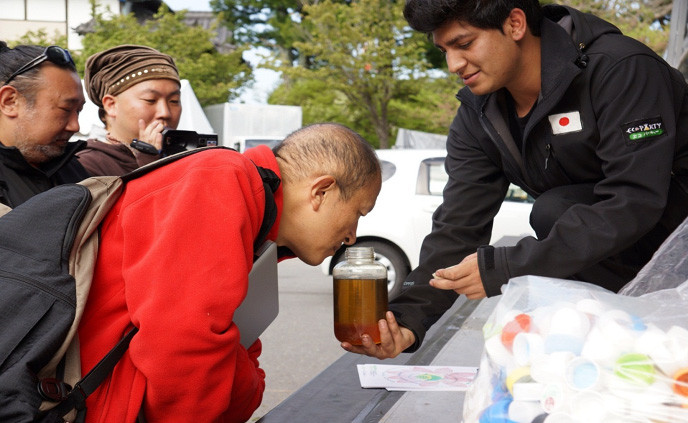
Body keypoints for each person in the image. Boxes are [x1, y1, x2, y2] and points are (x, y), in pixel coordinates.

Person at [343, 0, 688, 359]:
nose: (453, 65)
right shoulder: (479, 117)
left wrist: (508, 267)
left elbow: (634, 200)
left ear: (515, 24)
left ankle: (640, 344)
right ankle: (610, 349)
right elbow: (459, 226)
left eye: (464, 44)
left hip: (675, 246)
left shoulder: (621, 69)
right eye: (444, 50)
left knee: (552, 211)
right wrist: (404, 318)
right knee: (554, 217)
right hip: (611, 257)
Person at [77, 123, 382, 422]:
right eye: (358, 213)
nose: (352, 236)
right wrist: (244, 380)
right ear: (321, 191)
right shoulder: (221, 180)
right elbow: (184, 354)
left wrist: (242, 380)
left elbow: (236, 341)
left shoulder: (258, 219)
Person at [0, 42, 89, 207]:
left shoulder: (73, 169)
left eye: (78, 111)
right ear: (10, 102)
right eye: (65, 109)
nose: (75, 126)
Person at [76, 44, 182, 176]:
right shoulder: (85, 166)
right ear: (111, 105)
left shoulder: (184, 157)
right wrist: (150, 166)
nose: (165, 113)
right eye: (150, 100)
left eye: (174, 101)